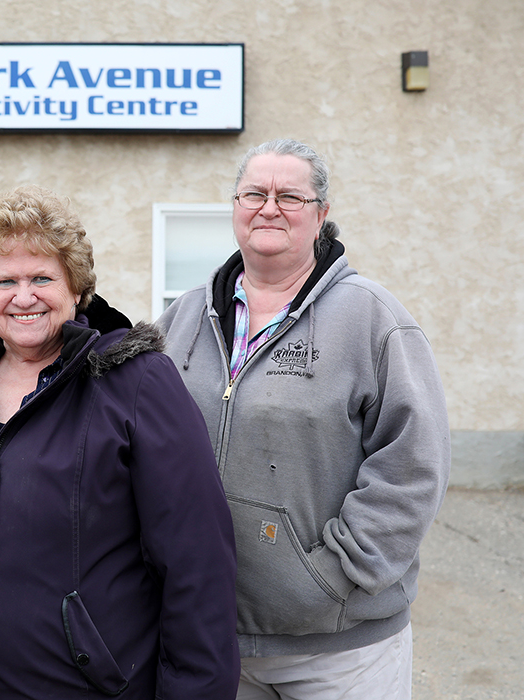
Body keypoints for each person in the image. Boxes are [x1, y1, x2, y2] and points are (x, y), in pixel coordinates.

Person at [0, 185, 239, 699]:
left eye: (42, 278)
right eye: (5, 280)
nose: (23, 296)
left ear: (77, 288)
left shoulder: (136, 384)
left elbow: (197, 567)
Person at [157, 139, 450, 700]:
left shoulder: (373, 318)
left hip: (339, 646)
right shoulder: (186, 316)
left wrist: (336, 576)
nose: (270, 207)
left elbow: (415, 461)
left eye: (290, 195)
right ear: (235, 207)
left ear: (321, 214)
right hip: (213, 635)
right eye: (255, 193)